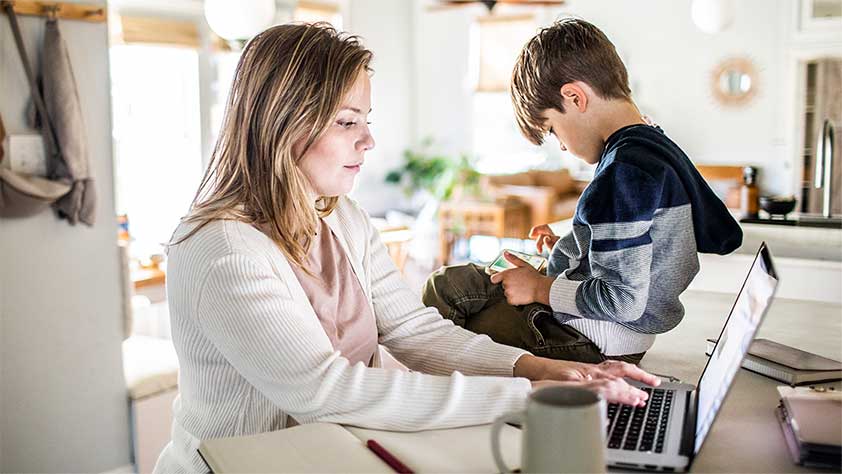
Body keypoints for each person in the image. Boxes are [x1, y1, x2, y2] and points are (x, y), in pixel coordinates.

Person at [153, 22, 660, 473]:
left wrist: (538, 368)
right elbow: (325, 392)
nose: (369, 140)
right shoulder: (222, 250)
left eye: (366, 118)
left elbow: (410, 329)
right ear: (283, 125)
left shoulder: (340, 217)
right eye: (347, 121)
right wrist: (529, 395)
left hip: (332, 453)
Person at [422, 18, 742, 365]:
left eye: (553, 129)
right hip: (611, 331)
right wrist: (572, 246)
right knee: (465, 282)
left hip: (591, 336)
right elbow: (634, 249)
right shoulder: (653, 147)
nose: (560, 146)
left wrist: (539, 289)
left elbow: (621, 299)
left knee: (450, 296)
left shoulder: (625, 172)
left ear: (574, 97)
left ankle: (430, 396)